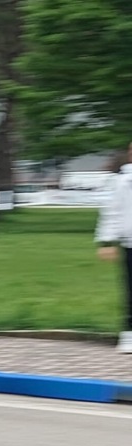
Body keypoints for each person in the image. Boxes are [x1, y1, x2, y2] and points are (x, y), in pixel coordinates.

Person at [95, 142, 132, 353]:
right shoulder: (122, 182)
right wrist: (107, 241)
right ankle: (129, 334)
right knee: (131, 291)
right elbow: (111, 212)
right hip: (130, 243)